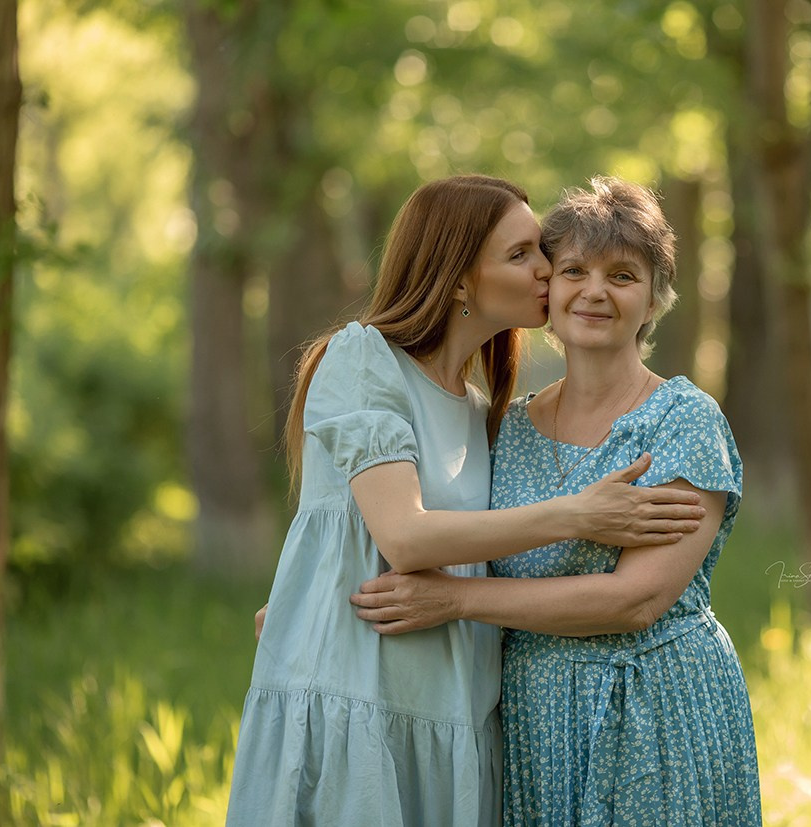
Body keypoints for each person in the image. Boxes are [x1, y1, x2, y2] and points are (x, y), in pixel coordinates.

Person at [225, 175, 708, 827]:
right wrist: (577, 513)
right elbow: (404, 536)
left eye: (541, 252)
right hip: (362, 707)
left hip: (456, 715)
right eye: (522, 256)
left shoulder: (488, 417)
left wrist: (308, 595)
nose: (547, 271)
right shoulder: (364, 359)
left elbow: (483, 561)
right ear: (456, 278)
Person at [352, 177, 763, 826]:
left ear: (657, 296)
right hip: (533, 722)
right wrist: (316, 598)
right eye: (574, 269)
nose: (595, 291)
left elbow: (636, 599)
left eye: (623, 275)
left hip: (656, 711)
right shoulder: (504, 427)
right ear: (548, 288)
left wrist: (456, 602)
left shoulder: (682, 420)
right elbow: (427, 534)